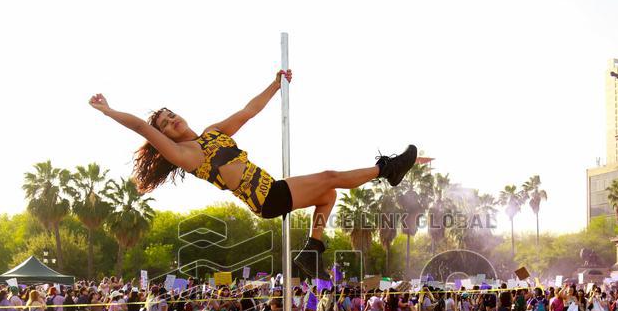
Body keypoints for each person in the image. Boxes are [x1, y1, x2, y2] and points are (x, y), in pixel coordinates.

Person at [88, 71, 419, 280]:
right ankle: (388, 169)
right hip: (264, 197)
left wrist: (275, 85)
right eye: (164, 124)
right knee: (330, 176)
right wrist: (108, 111)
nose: (171, 120)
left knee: (328, 194)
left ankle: (312, 249)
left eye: (172, 115)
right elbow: (140, 126)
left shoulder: (213, 132)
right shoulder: (185, 155)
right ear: (165, 137)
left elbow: (249, 111)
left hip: (271, 189)